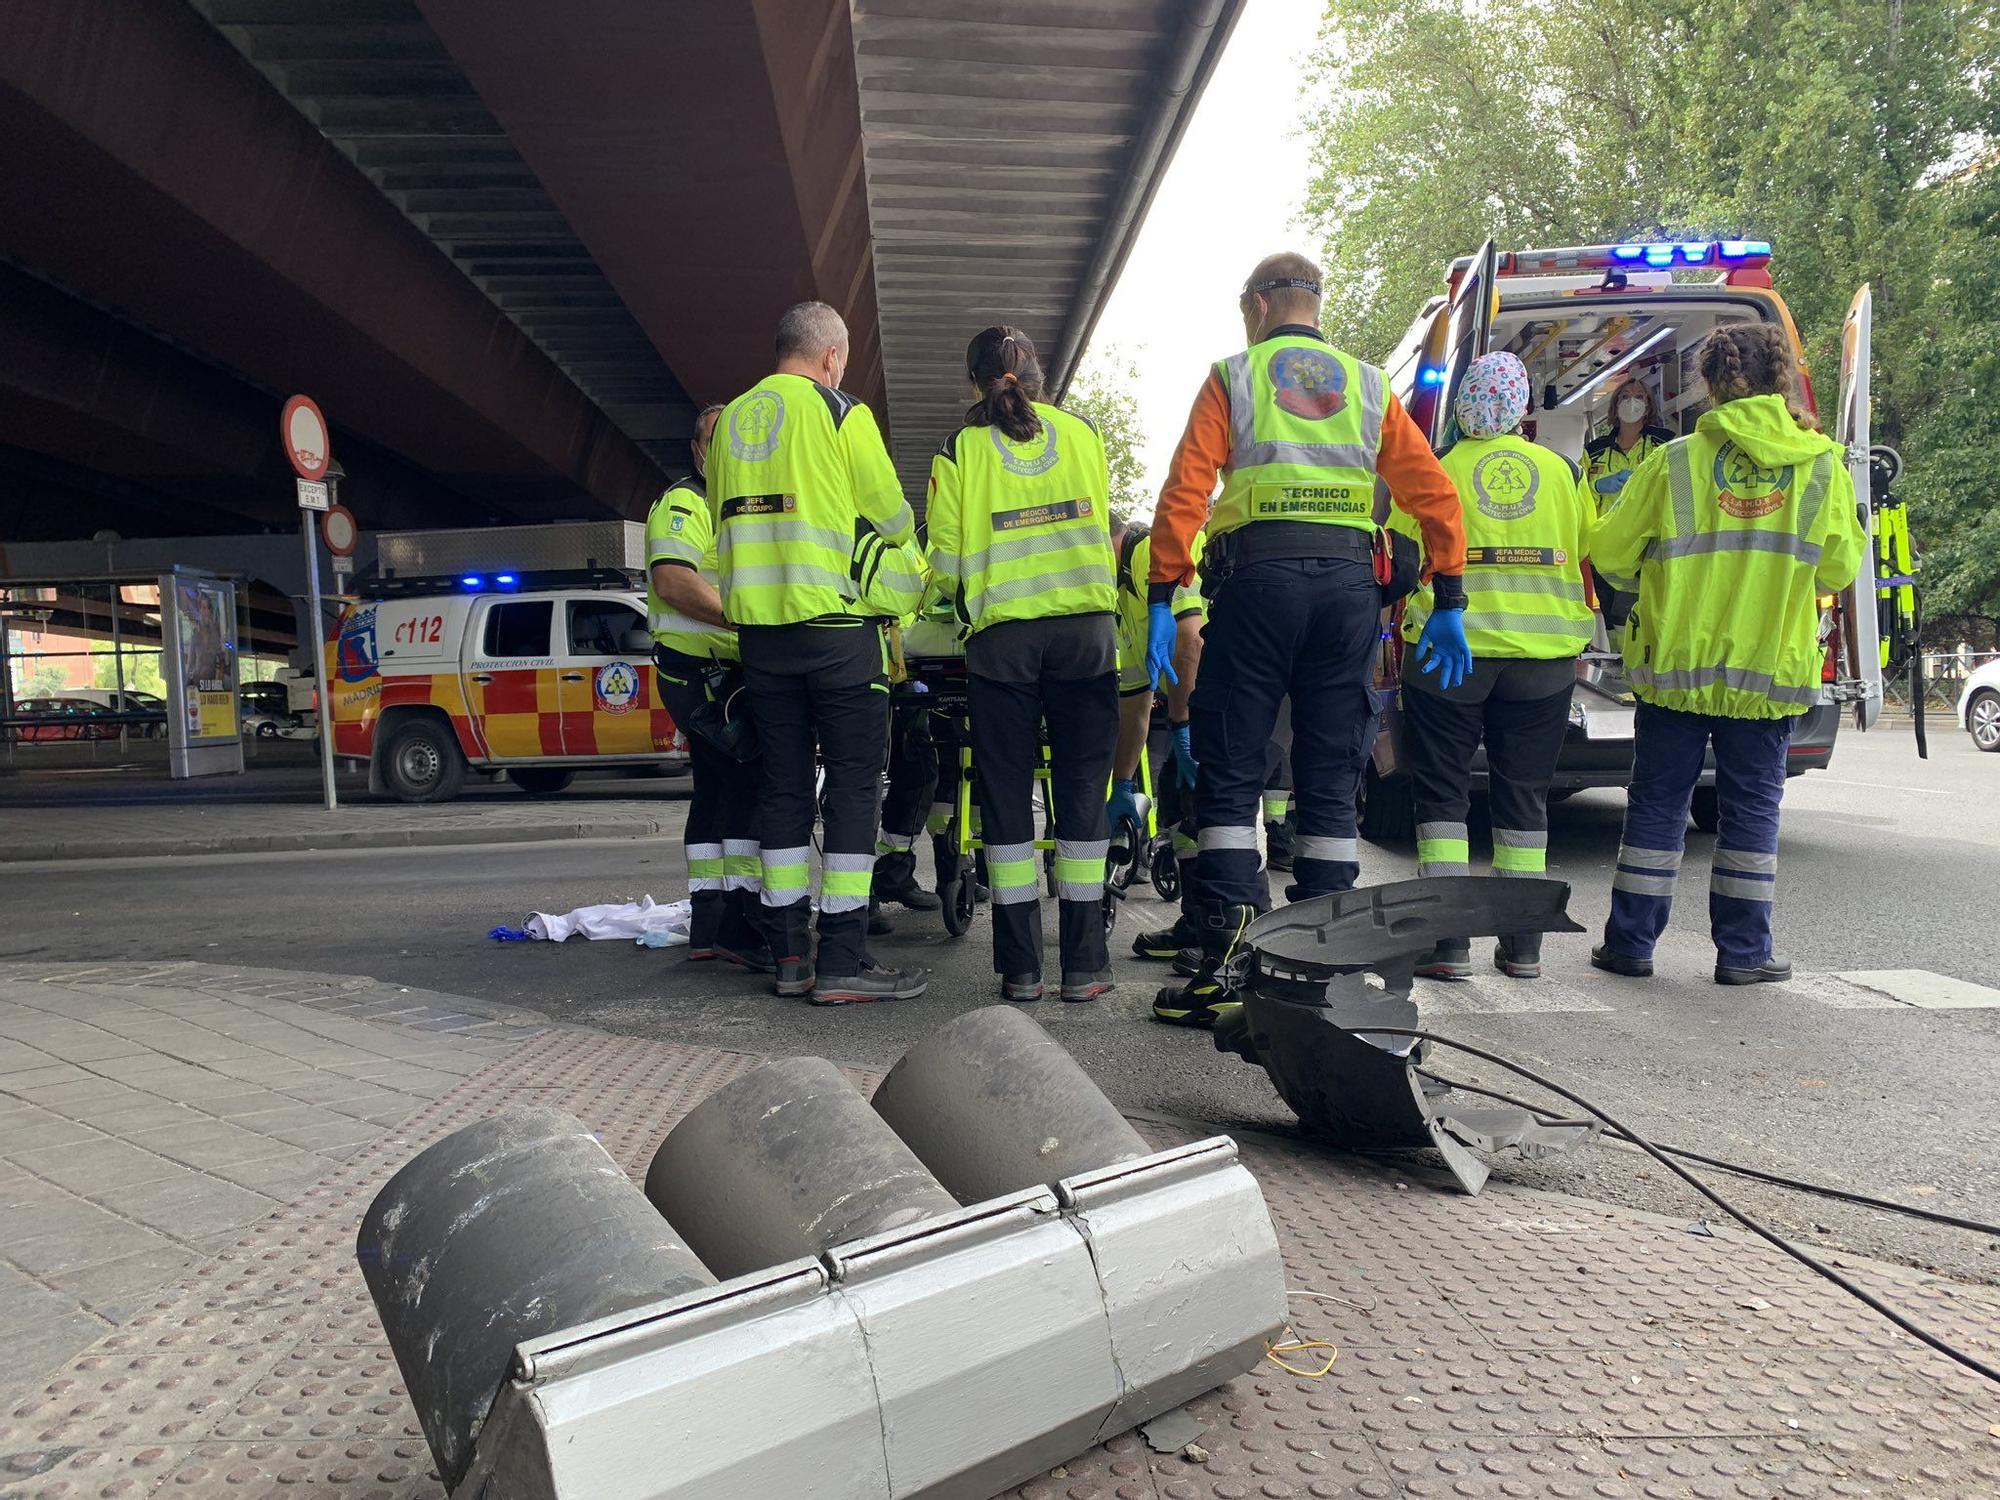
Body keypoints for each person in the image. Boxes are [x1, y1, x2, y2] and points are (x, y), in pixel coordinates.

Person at [1147, 252, 1471, 1028]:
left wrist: (1164, 593)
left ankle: (1226, 967)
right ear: (1313, 305)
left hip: (1257, 585)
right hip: (1347, 595)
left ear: (1257, 306)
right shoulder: (1367, 385)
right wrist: (1450, 595)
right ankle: (1318, 975)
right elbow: (1434, 492)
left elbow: (1185, 490)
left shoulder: (1234, 377)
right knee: (1329, 779)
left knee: (1230, 775)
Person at [1590, 323, 1864, 985]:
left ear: (1705, 384)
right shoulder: (1821, 464)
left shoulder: (1673, 461)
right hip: (1767, 673)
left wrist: (1648, 583)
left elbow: (1610, 551)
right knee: (1750, 815)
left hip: (1676, 671)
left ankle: (1631, 946)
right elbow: (1837, 568)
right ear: (1780, 381)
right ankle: (1743, 955)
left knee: (1656, 807)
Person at [706, 301, 928, 1005]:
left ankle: (790, 956)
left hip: (762, 642)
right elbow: (892, 517)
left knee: (783, 791)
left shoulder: (731, 422)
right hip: (838, 636)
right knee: (857, 790)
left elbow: (722, 525)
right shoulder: (840, 412)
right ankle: (842, 958)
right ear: (831, 356)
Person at [926, 325, 1120, 1002]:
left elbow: (945, 564)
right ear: (1037, 377)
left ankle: (1021, 972)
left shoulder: (958, 451)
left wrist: (940, 613)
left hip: (1002, 647)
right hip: (1087, 637)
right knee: (1079, 797)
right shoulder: (1083, 433)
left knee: (1006, 805)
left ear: (973, 383)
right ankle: (1085, 967)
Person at [1388, 353, 1596, 981]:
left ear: (1464, 405)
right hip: (1544, 661)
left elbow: (1400, 557)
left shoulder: (1435, 467)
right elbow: (1588, 548)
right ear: (1523, 408)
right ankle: (1523, 945)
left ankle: (1448, 945)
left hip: (1450, 657)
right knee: (1524, 799)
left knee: (1444, 798)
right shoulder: (1560, 470)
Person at [646, 403, 774, 972]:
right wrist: (745, 620)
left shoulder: (731, 508)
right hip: (702, 673)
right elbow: (673, 580)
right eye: (714, 442)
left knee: (716, 791)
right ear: (699, 452)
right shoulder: (686, 502)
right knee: (744, 786)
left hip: (716, 672)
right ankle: (738, 924)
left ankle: (709, 922)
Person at [1111, 523, 1203, 959]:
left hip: (1224, 690)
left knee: (1213, 809)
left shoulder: (1152, 552)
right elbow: (1135, 701)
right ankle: (1200, 923)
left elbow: (1191, 640)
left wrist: (1182, 727)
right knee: (1177, 800)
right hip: (1194, 701)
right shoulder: (1122, 594)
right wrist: (1123, 784)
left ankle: (1225, 933)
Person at [1583, 376, 1675, 516]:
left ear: (1647, 407)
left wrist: (1646, 482)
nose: (1631, 402)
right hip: (1607, 534)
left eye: (1639, 397)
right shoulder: (1593, 452)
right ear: (1616, 406)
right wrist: (1595, 487)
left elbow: (1677, 488)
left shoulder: (1665, 443)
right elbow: (1577, 499)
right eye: (1625, 397)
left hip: (1650, 534)